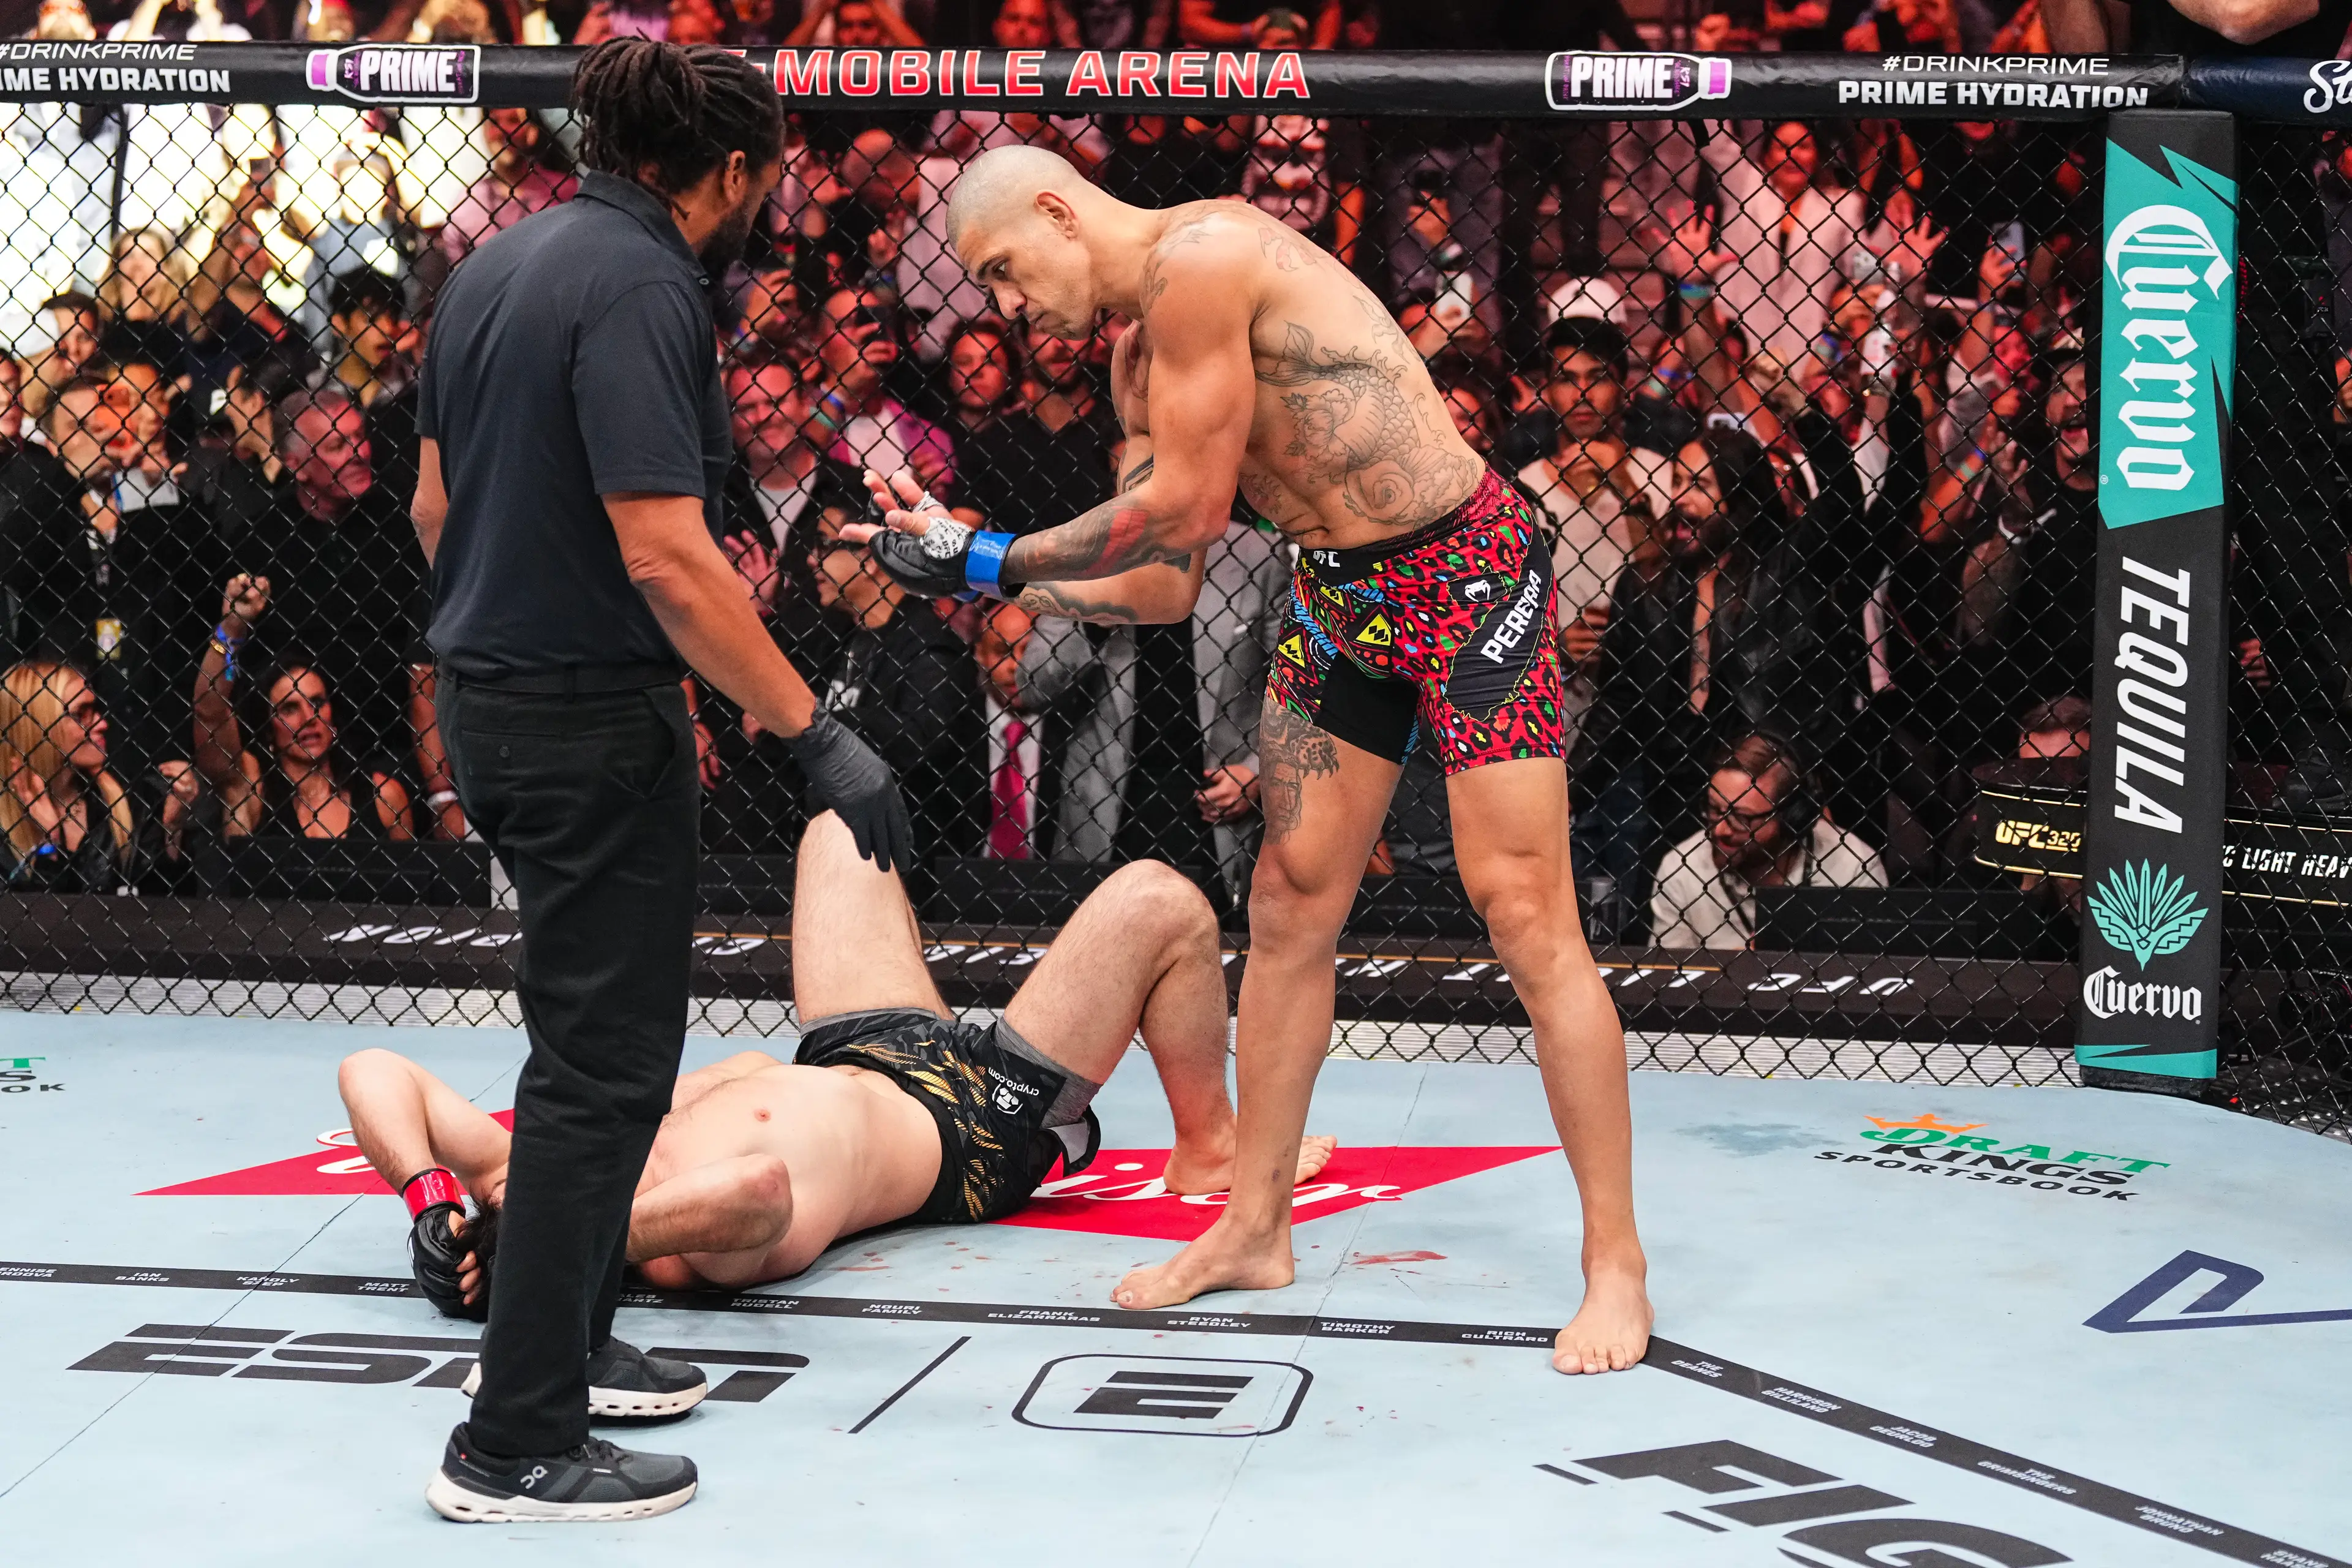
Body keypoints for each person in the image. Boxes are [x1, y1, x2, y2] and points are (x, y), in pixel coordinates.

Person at [853, 145, 1651, 1375]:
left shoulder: (1206, 262)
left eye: (1007, 270)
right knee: (1284, 902)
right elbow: (1161, 586)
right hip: (1338, 590)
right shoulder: (1138, 353)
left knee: (1529, 907)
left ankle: (1616, 1261)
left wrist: (985, 551)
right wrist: (967, 565)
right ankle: (1255, 1223)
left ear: (1060, 212)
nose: (1007, 308)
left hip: (1467, 565)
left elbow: (1182, 507)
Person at [408, 39, 910, 1523]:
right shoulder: (643, 287)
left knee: (595, 1045)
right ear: (736, 171)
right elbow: (670, 555)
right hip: (577, 712)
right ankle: (511, 1442)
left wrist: (517, 626)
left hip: (490, 692)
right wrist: (814, 726)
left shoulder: (497, 265)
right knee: (601, 1064)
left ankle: (558, 1339)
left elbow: (438, 505)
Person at [343, 811, 1335, 1308]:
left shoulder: (519, 1173)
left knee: (842, 825)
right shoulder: (682, 1246)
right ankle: (1213, 1148)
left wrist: (430, 1202)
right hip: (973, 1121)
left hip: (859, 1046)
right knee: (1161, 900)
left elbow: (374, 1068)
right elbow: (762, 1192)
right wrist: (576, 1246)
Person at [190, 573, 416, 840]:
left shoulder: (384, 795)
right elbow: (210, 712)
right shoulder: (250, 788)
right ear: (268, 729)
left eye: (317, 703)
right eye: (289, 709)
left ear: (334, 718)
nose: (309, 718)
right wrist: (230, 631)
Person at [1649, 731, 1887, 951]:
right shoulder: (1680, 869)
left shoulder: (1853, 867)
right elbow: (1666, 981)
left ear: (1791, 818)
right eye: (1714, 809)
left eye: (1741, 818)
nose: (1720, 830)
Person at [0, 660, 150, 891]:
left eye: (95, 710)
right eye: (81, 714)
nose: (102, 724)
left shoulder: (124, 805)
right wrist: (49, 846)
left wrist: (174, 839)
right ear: (39, 726)